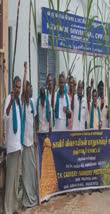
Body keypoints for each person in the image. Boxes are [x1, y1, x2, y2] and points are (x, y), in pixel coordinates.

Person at [3, 75, 23, 214]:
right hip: (11, 147)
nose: (18, 90)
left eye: (19, 87)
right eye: (16, 87)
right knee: (9, 181)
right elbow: (5, 116)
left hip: (19, 146)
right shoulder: (9, 100)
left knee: (16, 178)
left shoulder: (18, 102)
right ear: (13, 87)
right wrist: (10, 101)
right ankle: (7, 209)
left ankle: (15, 206)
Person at [21, 63, 38, 209]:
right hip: (24, 144)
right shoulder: (22, 103)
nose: (29, 92)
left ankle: (33, 196)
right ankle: (27, 200)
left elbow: (35, 121)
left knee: (32, 172)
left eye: (30, 90)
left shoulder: (32, 103)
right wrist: (26, 71)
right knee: (25, 173)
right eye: (28, 89)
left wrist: (36, 138)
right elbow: (23, 90)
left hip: (31, 143)